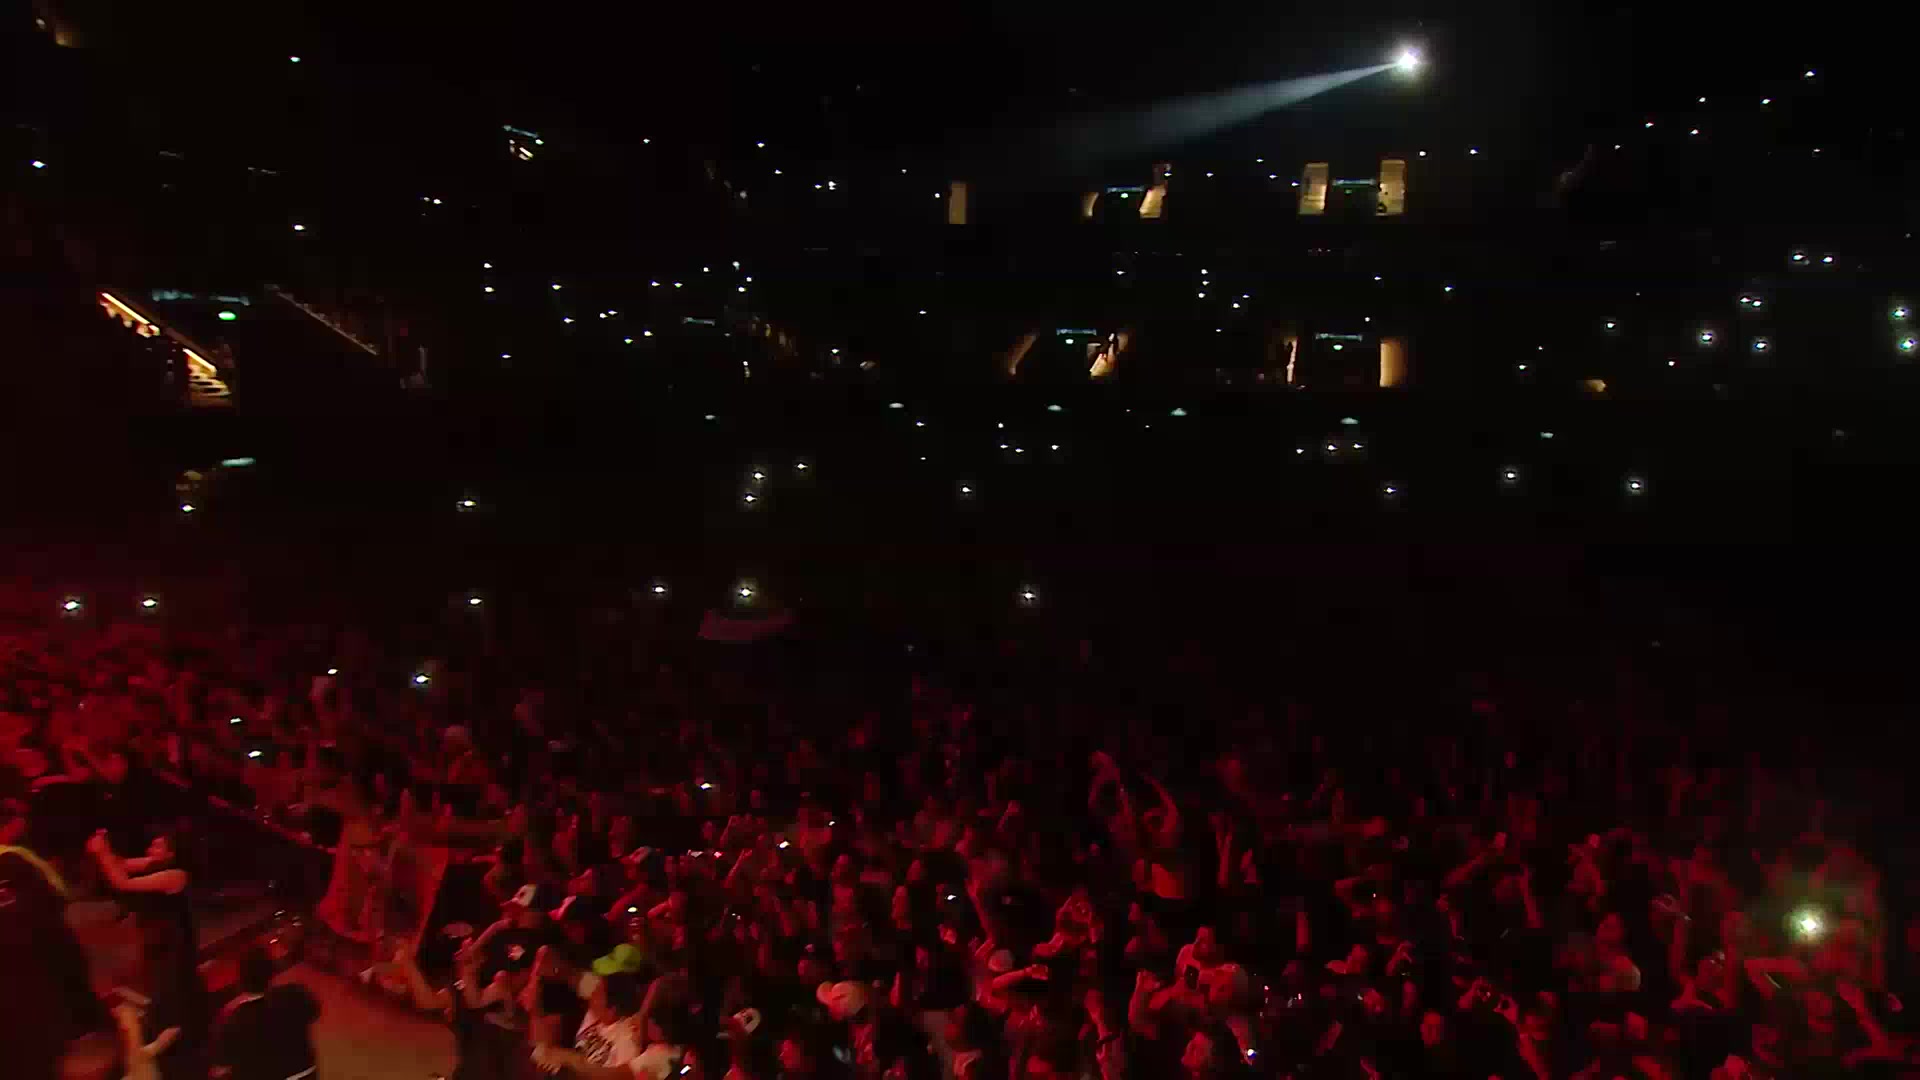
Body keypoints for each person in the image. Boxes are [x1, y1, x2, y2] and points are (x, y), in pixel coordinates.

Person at [87, 825, 209, 1080]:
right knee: (160, 986)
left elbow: (123, 882)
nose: (151, 848)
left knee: (174, 990)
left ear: (171, 854)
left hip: (173, 942)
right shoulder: (155, 863)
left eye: (158, 846)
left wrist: (101, 853)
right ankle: (165, 1037)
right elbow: (122, 865)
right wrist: (105, 848)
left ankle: (175, 1043)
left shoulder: (176, 875)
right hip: (157, 939)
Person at [210, 947, 320, 1080]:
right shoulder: (295, 994)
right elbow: (314, 1012)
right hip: (305, 1073)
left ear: (240, 982)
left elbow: (220, 1068)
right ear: (272, 972)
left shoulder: (233, 1019)